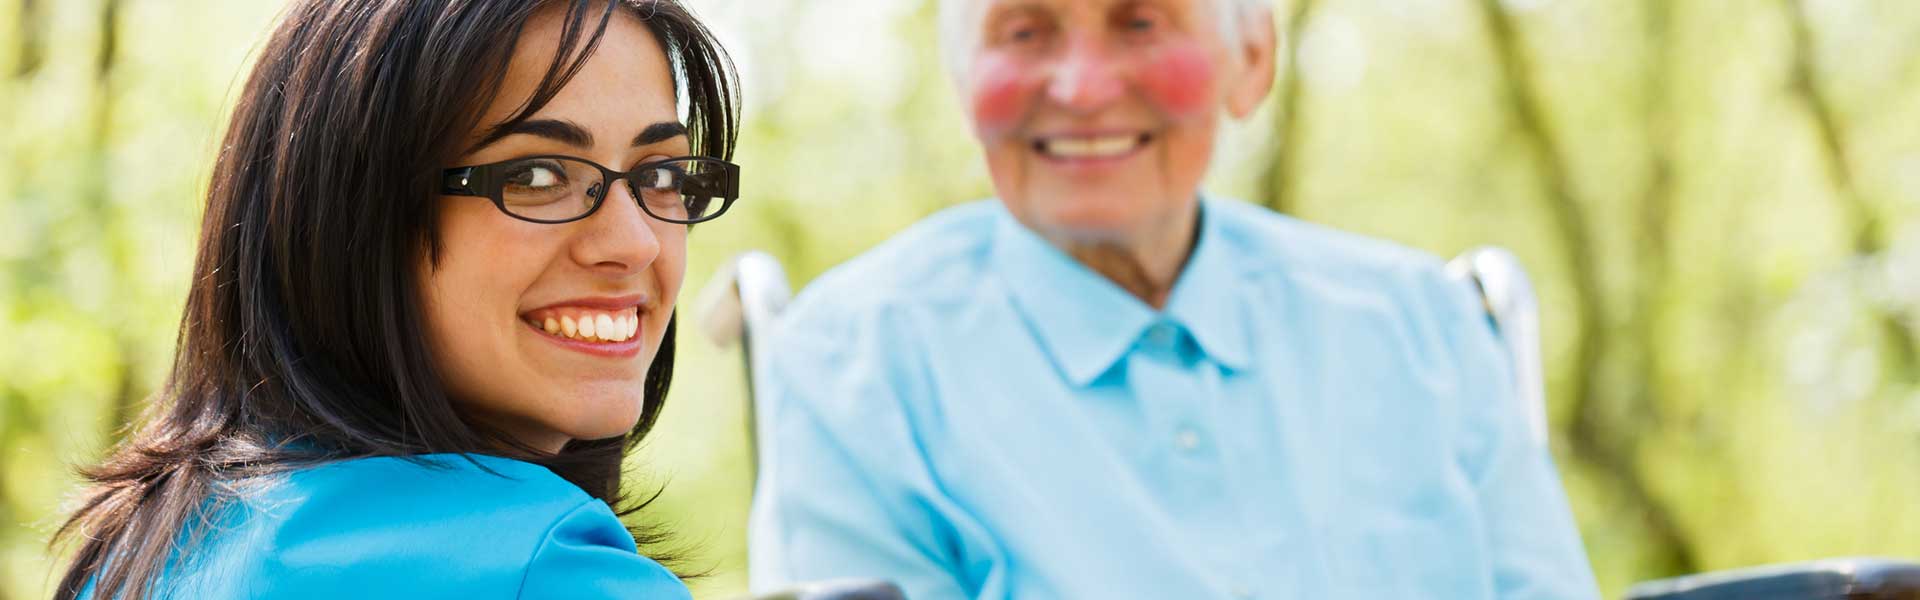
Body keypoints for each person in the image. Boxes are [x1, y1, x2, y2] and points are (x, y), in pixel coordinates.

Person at [747, 0, 1599, 598]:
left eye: (1142, 21)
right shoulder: (851, 367)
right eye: (1025, 29)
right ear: (964, 77)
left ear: (1253, 58)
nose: (1081, 87)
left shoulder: (1425, 327)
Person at [51, 1, 739, 598]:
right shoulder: (543, 570)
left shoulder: (133, 554)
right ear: (353, 215)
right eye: (535, 174)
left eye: (661, 173)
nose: (635, 243)